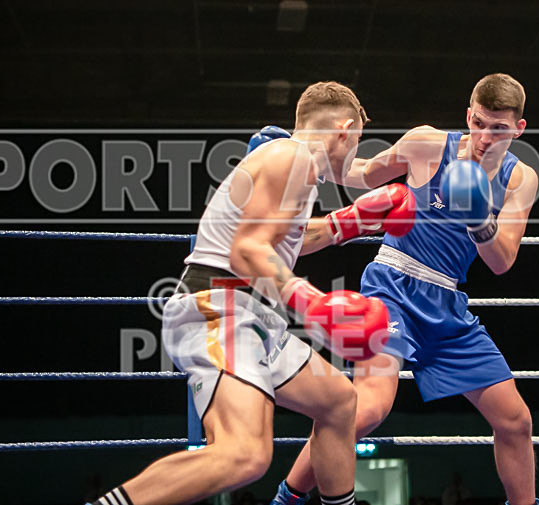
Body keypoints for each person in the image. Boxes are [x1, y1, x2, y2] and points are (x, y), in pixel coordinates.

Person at [87, 81, 415, 505]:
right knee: (243, 455)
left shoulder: (295, 166)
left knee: (338, 401)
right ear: (345, 130)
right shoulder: (291, 157)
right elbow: (247, 248)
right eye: (356, 143)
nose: (354, 155)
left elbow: (279, 235)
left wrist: (348, 223)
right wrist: (313, 302)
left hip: (254, 315)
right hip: (219, 307)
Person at [266, 73, 539, 505]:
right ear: (469, 115)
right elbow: (358, 172)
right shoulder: (428, 144)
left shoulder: (519, 179)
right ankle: (288, 499)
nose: (487, 137)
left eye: (500, 129)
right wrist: (294, 148)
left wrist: (480, 220)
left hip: (448, 304)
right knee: (368, 409)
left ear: (519, 129)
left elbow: (502, 260)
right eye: (481, 123)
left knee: (515, 420)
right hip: (391, 287)